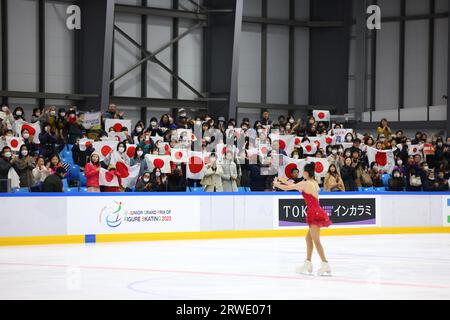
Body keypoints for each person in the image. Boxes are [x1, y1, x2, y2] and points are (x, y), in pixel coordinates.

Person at [273, 162, 331, 276]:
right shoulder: (313, 182)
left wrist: (276, 183)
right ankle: (308, 262)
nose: (302, 172)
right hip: (317, 210)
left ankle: (325, 264)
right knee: (308, 239)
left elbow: (289, 187)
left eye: (303, 170)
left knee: (316, 240)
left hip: (314, 213)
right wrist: (284, 180)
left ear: (306, 172)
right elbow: (295, 184)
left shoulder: (305, 184)